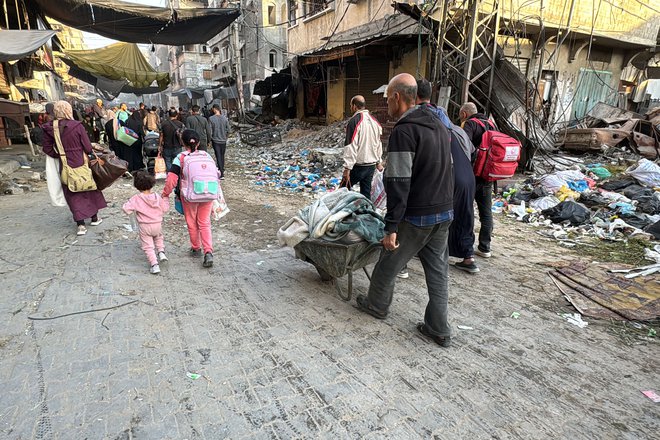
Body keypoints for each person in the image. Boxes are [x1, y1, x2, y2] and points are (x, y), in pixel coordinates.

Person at [355, 73, 454, 348]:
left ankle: (376, 305)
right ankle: (439, 327)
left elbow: (398, 181)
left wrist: (392, 227)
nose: (387, 104)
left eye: (387, 99)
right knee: (438, 272)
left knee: (387, 265)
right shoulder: (438, 122)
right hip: (444, 212)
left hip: (418, 214)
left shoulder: (404, 130)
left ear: (397, 97)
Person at [415, 79, 478, 274]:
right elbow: (472, 152)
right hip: (468, 176)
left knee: (439, 216)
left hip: (450, 176)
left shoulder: (432, 131)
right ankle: (468, 257)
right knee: (465, 215)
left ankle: (428, 252)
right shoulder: (457, 130)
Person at [41, 101, 107, 236]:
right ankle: (94, 218)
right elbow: (88, 148)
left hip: (64, 164)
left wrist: (59, 155)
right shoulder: (77, 126)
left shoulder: (49, 127)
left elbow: (47, 148)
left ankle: (81, 225)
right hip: (80, 161)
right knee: (88, 187)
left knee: (72, 191)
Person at [162, 129, 216, 268]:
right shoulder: (207, 156)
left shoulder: (180, 158)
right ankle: (208, 251)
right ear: (198, 143)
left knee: (192, 222)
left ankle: (196, 248)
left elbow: (171, 180)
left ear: (182, 142)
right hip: (208, 194)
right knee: (204, 223)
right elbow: (216, 175)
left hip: (189, 196)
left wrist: (165, 194)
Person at [460, 102, 494, 258]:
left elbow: (462, 146)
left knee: (466, 210)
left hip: (472, 175)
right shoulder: (491, 125)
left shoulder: (470, 124)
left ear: (464, 114)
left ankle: (465, 246)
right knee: (486, 212)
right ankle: (485, 247)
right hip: (488, 176)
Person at [122, 171, 169, 275]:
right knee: (158, 237)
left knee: (148, 246)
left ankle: (154, 265)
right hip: (157, 224)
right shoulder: (157, 196)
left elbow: (126, 208)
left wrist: (131, 210)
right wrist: (165, 199)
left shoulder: (136, 198)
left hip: (145, 226)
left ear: (137, 186)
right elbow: (165, 208)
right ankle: (161, 252)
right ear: (152, 183)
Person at [340, 95, 383, 199]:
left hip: (359, 166)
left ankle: (341, 214)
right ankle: (366, 213)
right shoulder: (375, 121)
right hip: (371, 166)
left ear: (354, 106)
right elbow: (378, 143)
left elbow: (351, 145)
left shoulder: (354, 121)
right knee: (366, 194)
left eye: (351, 105)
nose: (351, 108)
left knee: (341, 191)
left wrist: (347, 168)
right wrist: (379, 162)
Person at [209, 104, 229, 177]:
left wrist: (210, 139)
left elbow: (210, 131)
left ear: (215, 109)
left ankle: (221, 173)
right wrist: (225, 137)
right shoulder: (225, 119)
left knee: (218, 156)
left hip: (215, 140)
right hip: (223, 140)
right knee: (222, 155)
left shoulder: (211, 119)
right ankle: (222, 169)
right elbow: (228, 130)